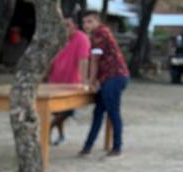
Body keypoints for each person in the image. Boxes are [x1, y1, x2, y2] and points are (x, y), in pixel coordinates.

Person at [80, 11, 129, 157]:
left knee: (113, 112)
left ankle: (117, 147)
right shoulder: (98, 34)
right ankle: (87, 146)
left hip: (115, 76)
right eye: (84, 22)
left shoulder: (99, 34)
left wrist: (90, 81)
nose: (86, 25)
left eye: (89, 22)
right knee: (98, 112)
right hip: (109, 78)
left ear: (97, 22)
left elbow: (95, 60)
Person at [48, 15, 90, 145]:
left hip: (72, 83)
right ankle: (61, 136)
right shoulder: (57, 38)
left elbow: (83, 60)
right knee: (56, 111)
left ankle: (47, 129)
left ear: (74, 27)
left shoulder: (82, 38)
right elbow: (50, 58)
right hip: (55, 80)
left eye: (68, 25)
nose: (65, 28)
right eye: (63, 25)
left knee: (67, 111)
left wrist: (84, 81)